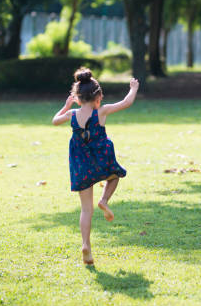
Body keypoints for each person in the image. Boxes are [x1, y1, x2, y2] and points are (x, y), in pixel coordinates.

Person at [52, 68, 139, 265]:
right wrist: (133, 88)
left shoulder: (72, 115)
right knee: (115, 176)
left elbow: (55, 120)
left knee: (85, 209)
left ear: (77, 97)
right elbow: (127, 102)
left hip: (81, 164)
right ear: (98, 96)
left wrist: (66, 106)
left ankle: (86, 246)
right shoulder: (102, 111)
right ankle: (105, 200)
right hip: (101, 161)